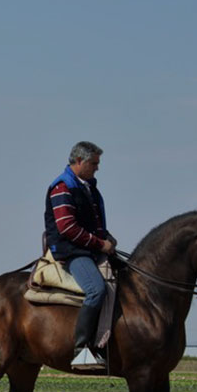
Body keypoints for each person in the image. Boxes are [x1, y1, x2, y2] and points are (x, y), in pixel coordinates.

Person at [44, 141, 117, 369]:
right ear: (79, 161)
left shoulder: (87, 186)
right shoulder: (63, 187)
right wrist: (100, 244)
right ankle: (82, 350)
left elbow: (92, 223)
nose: (97, 168)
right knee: (96, 289)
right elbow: (67, 228)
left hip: (89, 249)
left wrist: (107, 238)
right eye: (94, 163)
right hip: (72, 253)